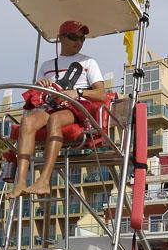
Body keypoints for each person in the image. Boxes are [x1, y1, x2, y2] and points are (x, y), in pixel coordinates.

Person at [9, 20, 106, 198]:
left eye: (82, 39)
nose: (79, 42)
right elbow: (36, 93)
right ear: (61, 38)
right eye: (74, 37)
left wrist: (77, 92)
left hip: (77, 108)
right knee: (27, 121)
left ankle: (44, 180)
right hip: (51, 105)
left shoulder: (88, 62)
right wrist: (42, 85)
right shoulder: (47, 66)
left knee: (56, 120)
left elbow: (101, 93)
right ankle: (21, 182)